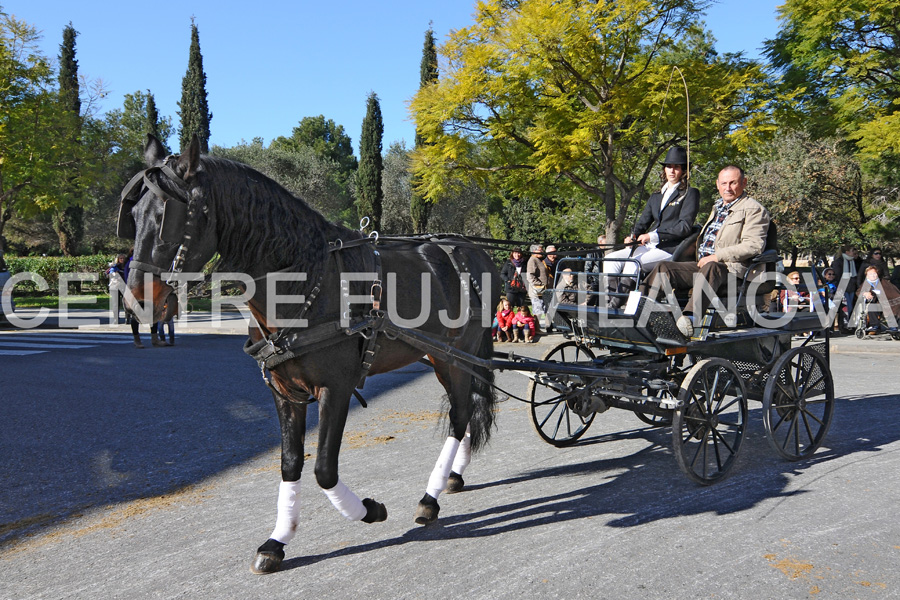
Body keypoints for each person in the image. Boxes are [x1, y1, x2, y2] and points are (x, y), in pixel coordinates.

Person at [642, 165, 770, 337]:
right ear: (717, 184)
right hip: (705, 266)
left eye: (733, 183)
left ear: (744, 183)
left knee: (712, 267)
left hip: (733, 272)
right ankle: (638, 310)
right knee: (663, 268)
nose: (728, 188)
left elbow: (754, 245)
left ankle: (689, 320)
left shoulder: (754, 209)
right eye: (724, 183)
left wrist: (717, 256)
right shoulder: (717, 207)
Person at [603, 146, 700, 308]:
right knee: (610, 259)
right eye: (669, 166)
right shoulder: (656, 195)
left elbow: (684, 227)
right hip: (649, 247)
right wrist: (633, 236)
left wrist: (652, 236)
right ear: (664, 169)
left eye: (677, 167)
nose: (672, 171)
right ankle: (607, 303)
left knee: (633, 263)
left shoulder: (690, 193)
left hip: (670, 249)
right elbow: (643, 222)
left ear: (684, 170)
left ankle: (615, 306)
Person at [107, 251, 144, 348]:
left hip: (125, 287)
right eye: (120, 258)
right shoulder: (115, 266)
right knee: (115, 304)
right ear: (118, 259)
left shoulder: (128, 265)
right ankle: (115, 319)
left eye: (123, 258)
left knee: (127, 304)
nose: (122, 260)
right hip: (116, 287)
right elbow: (110, 274)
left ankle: (127, 318)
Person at [857, 265, 900, 330]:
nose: (873, 275)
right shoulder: (866, 283)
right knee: (871, 306)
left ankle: (893, 326)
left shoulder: (884, 282)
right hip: (876, 304)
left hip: (888, 302)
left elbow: (894, 293)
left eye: (874, 273)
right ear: (867, 276)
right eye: (870, 274)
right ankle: (874, 325)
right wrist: (865, 293)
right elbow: (859, 292)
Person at [526, 244, 550, 327]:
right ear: (534, 251)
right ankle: (536, 328)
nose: (542, 251)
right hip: (537, 292)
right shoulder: (532, 260)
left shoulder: (538, 260)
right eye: (540, 250)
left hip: (542, 291)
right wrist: (540, 285)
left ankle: (541, 327)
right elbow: (530, 276)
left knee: (542, 310)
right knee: (538, 311)